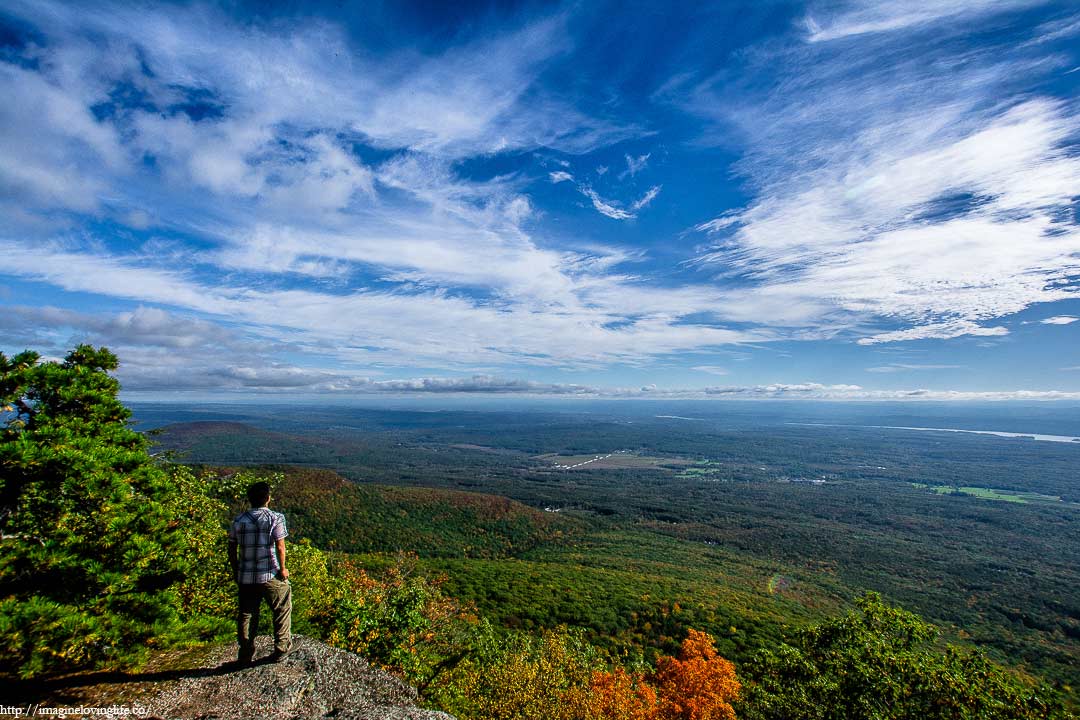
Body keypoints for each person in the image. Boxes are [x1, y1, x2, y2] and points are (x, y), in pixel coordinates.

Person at [228, 480, 292, 664]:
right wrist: (283, 569)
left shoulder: (239, 520)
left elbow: (231, 548)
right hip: (269, 572)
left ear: (249, 499)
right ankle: (281, 648)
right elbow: (280, 546)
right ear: (268, 499)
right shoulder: (275, 518)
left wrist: (236, 570)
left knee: (247, 613)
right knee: (282, 606)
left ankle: (246, 653)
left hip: (245, 575)